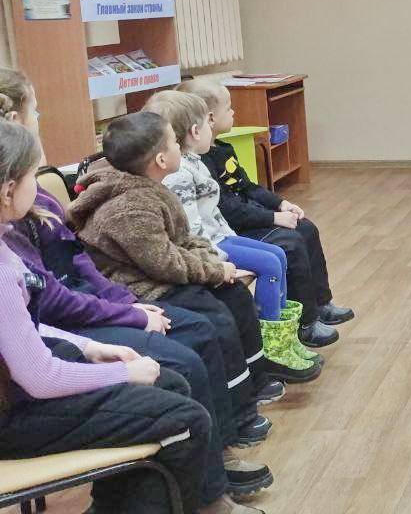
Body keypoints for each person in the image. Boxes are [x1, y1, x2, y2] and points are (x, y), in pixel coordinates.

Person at [0, 119, 239, 514]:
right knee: (185, 420)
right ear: (9, 191)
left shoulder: (7, 243)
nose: (37, 187)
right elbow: (40, 379)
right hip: (14, 414)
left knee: (170, 383)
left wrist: (89, 348)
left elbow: (26, 328)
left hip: (20, 392)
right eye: (31, 177)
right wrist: (121, 373)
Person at [67, 112, 281, 415]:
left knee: (236, 296)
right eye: (174, 143)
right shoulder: (128, 209)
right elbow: (164, 262)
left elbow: (184, 239)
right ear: (161, 160)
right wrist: (214, 270)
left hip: (160, 274)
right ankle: (239, 411)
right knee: (216, 318)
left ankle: (254, 380)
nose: (180, 147)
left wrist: (213, 262)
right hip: (140, 286)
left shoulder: (149, 187)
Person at [144, 91, 321, 382]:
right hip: (209, 246)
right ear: (195, 131)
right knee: (270, 263)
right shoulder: (180, 174)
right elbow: (191, 229)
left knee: (277, 254)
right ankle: (272, 345)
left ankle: (284, 338)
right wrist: (218, 259)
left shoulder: (195, 162)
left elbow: (214, 214)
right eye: (207, 124)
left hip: (219, 235)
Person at [178, 78, 355, 337]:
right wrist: (273, 218)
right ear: (211, 118)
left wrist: (280, 203)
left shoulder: (223, 149)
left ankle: (320, 303)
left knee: (306, 228)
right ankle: (305, 323)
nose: (234, 112)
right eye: (229, 108)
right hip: (233, 226)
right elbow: (226, 208)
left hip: (247, 215)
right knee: (290, 243)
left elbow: (248, 186)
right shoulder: (199, 162)